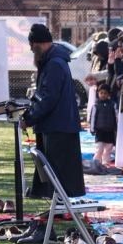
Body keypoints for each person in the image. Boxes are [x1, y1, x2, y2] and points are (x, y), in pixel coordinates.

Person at [21, 23, 85, 202]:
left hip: (58, 125)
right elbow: (43, 94)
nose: (32, 51)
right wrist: (30, 113)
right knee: (53, 170)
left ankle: (58, 205)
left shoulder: (54, 64)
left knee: (57, 171)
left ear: (39, 44)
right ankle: (55, 205)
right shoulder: (53, 61)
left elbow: (48, 97)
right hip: (56, 124)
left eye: (32, 47)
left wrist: (30, 118)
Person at [90, 83, 117, 166]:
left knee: (109, 148)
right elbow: (93, 118)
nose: (103, 95)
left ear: (108, 94)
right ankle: (96, 163)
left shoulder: (113, 105)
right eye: (101, 93)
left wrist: (116, 128)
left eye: (105, 93)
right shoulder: (96, 105)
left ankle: (105, 162)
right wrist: (92, 129)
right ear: (98, 93)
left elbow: (116, 117)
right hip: (99, 131)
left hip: (110, 130)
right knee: (99, 148)